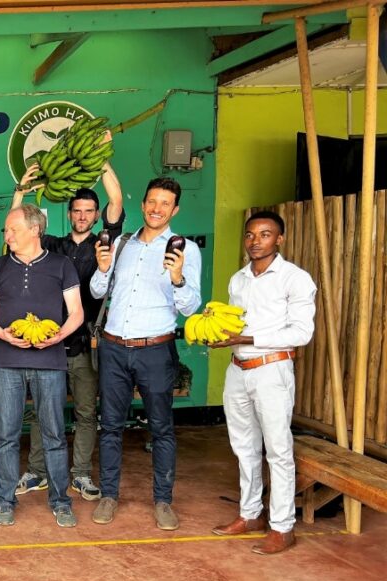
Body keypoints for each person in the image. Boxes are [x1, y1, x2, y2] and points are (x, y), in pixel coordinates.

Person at [12, 142, 124, 501]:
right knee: (41, 413)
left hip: (86, 343)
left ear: (96, 215)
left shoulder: (104, 243)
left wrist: (99, 159)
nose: (82, 216)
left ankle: (80, 475)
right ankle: (38, 471)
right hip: (49, 343)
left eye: (89, 211)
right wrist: (20, 194)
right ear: (69, 212)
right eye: (77, 210)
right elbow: (18, 231)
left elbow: (117, 201)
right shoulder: (52, 246)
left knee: (87, 412)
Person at [89, 177, 201, 531]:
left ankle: (163, 500)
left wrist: (179, 277)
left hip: (155, 350)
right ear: (143, 204)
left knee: (161, 427)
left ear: (175, 210)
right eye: (152, 201)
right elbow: (96, 290)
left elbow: (190, 306)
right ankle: (109, 495)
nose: (156, 209)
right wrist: (103, 267)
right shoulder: (122, 244)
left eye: (165, 204)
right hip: (114, 347)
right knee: (109, 426)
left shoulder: (185, 250)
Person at [210, 212, 316, 555]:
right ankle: (250, 514)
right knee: (244, 447)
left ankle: (282, 528)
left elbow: (302, 332)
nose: (256, 241)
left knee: (278, 450)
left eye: (265, 234)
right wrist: (220, 337)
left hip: (272, 371)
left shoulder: (295, 279)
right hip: (238, 369)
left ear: (279, 239)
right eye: (251, 235)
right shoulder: (238, 279)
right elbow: (233, 322)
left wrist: (250, 337)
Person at [0, 205, 83, 527]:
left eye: (13, 230)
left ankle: (61, 501)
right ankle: (5, 500)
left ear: (35, 230)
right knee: (7, 435)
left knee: (53, 434)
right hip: (7, 361)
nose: (7, 235)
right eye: (6, 230)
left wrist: (58, 337)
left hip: (50, 362)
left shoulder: (61, 265)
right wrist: (3, 333)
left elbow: (76, 312)